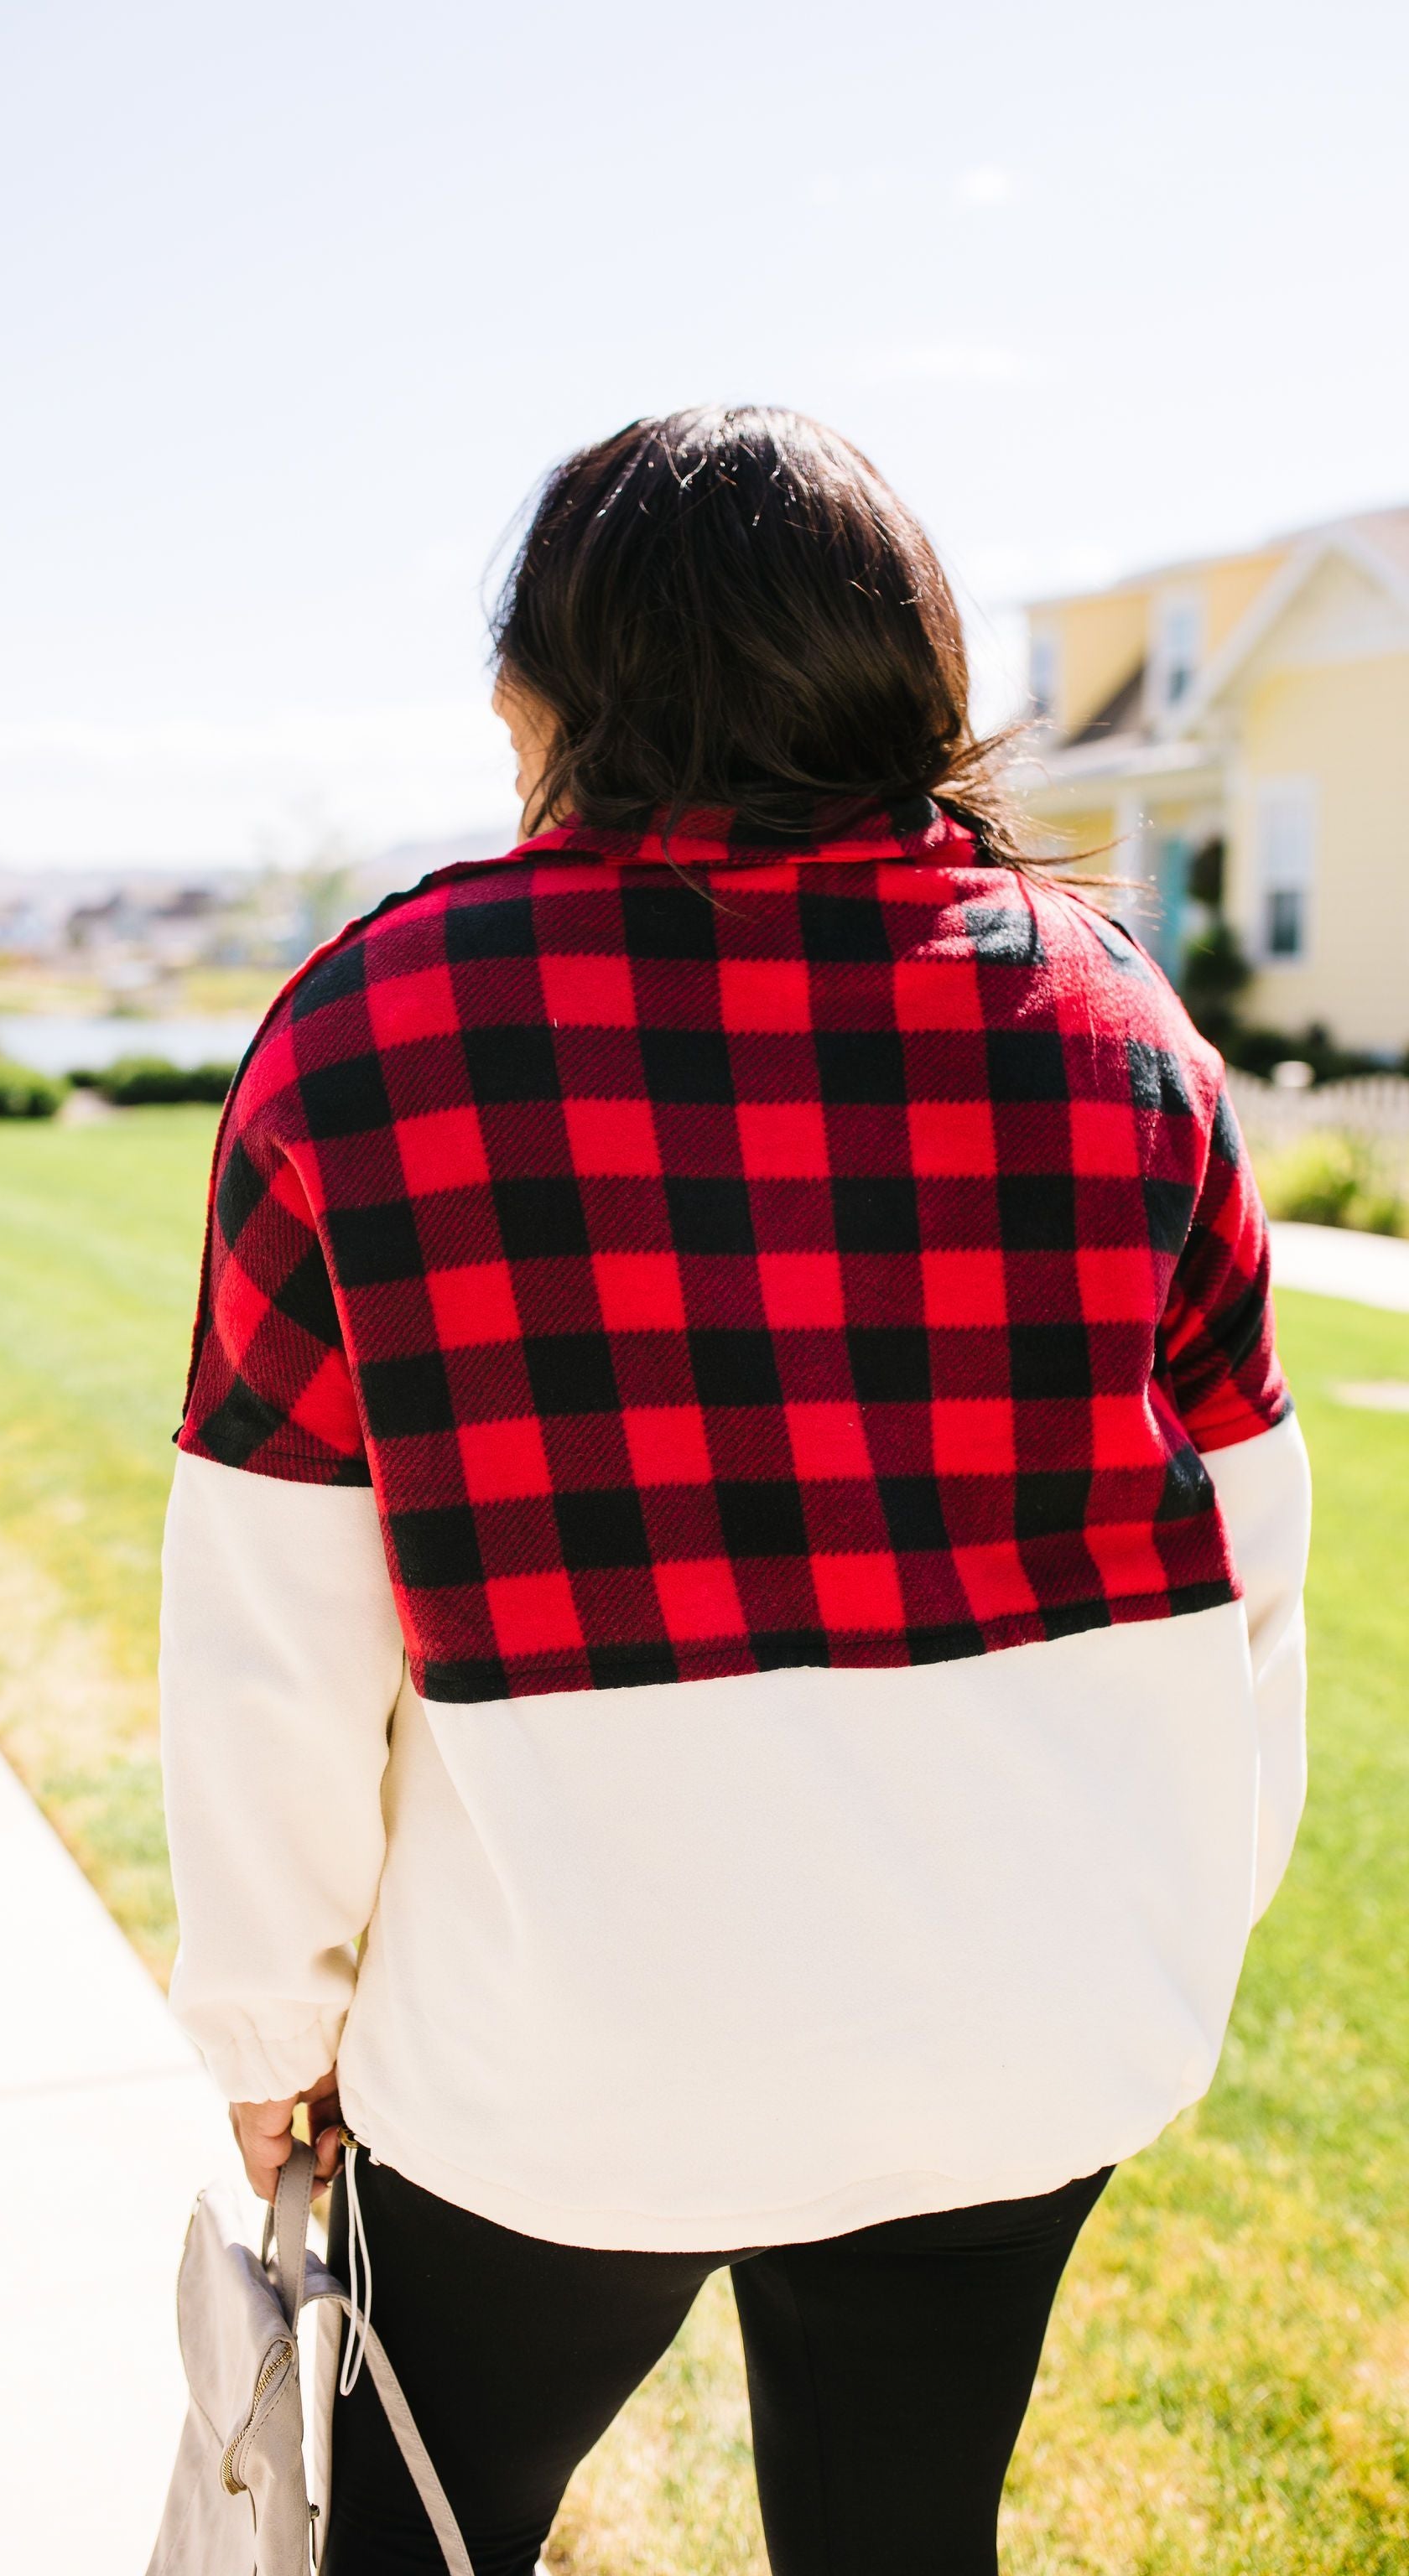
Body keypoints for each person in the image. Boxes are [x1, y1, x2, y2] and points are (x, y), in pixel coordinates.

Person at [159, 408, 1311, 2574]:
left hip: (551, 2066)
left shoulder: (371, 1033)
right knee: (902, 2541)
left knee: (417, 2534)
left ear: (542, 696)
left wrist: (268, 2026)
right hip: (1023, 2026)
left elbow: (269, 1635)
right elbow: (1251, 1575)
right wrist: (1164, 1938)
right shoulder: (1120, 1026)